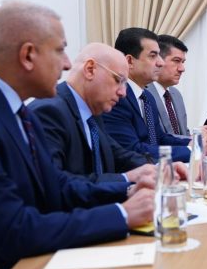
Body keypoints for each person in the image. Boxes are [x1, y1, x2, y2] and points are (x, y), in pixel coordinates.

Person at [0, 1, 154, 269]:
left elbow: (58, 186)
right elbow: (12, 230)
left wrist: (128, 191)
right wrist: (121, 215)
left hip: (32, 267)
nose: (67, 64)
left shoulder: (17, 109)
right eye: (60, 50)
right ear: (28, 55)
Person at [31, 43, 168, 184]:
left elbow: (117, 155)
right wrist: (125, 180)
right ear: (90, 69)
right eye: (118, 80)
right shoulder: (49, 112)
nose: (123, 93)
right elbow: (57, 184)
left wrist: (161, 169)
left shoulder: (92, 112)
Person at [103, 28, 193, 161]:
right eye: (153, 56)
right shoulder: (116, 97)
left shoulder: (147, 97)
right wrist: (190, 151)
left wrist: (193, 143)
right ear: (129, 61)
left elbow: (159, 138)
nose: (160, 62)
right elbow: (133, 150)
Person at [147, 35, 190, 137]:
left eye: (183, 62)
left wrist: (198, 137)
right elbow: (156, 138)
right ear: (158, 61)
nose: (182, 69)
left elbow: (184, 134)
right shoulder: (144, 94)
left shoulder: (176, 94)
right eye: (176, 61)